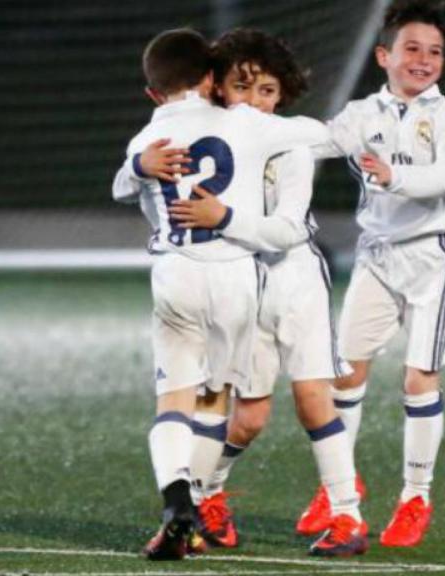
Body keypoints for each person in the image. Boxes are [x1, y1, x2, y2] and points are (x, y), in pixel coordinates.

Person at [111, 27, 329, 561]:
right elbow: (316, 132)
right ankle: (198, 502)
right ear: (211, 79)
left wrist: (139, 167)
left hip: (176, 275)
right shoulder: (244, 122)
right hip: (234, 277)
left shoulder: (145, 141)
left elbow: (120, 185)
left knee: (173, 405)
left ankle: (177, 502)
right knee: (214, 402)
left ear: (152, 93)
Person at [154, 28, 367, 557]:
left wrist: (222, 216)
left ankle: (348, 518)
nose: (255, 101)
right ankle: (207, 501)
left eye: (267, 91)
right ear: (217, 88)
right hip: (241, 285)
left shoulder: (289, 144)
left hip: (295, 282)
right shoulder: (206, 140)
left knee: (313, 400)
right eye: (243, 87)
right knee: (243, 416)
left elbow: (288, 229)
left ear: (283, 95)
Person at [308, 0, 445, 548]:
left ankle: (415, 497)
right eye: (413, 49)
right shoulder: (361, 115)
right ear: (385, 56)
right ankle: (338, 489)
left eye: (435, 51)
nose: (425, 60)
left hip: (431, 258)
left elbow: (444, 178)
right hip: (376, 256)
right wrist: (253, 133)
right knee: (344, 374)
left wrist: (393, 174)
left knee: (418, 379)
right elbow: (318, 140)